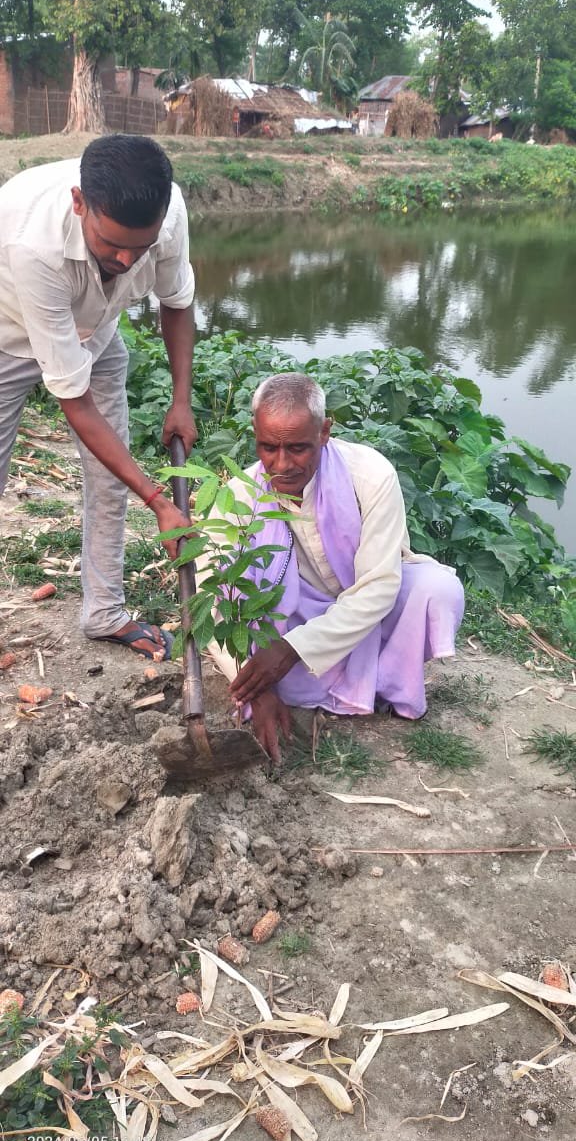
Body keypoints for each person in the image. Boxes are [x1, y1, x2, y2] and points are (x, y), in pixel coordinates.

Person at [0, 134, 197, 659]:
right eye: (112, 244)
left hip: (97, 330)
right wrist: (157, 501)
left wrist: (182, 400)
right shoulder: (33, 244)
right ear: (79, 202)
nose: (128, 258)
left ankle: (104, 612)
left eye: (141, 246)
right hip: (6, 335)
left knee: (111, 473)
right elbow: (76, 403)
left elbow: (176, 302)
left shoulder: (167, 214)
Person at [205, 372, 465, 762]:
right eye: (267, 448)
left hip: (366, 607)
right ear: (254, 434)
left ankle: (386, 684)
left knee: (437, 590)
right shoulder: (240, 496)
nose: (281, 464)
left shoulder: (370, 474)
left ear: (325, 431)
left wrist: (293, 650)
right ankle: (311, 684)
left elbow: (378, 587)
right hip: (290, 614)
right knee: (244, 611)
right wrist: (256, 689)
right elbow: (215, 598)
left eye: (298, 448)